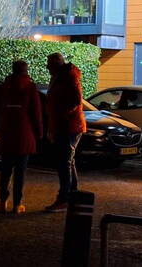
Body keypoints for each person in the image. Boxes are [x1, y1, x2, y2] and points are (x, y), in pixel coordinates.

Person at [0, 60, 43, 214]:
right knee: (20, 171)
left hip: (6, 132)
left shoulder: (4, 87)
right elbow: (36, 112)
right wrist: (38, 132)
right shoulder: (30, 87)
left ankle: (2, 202)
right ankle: (17, 204)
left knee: (6, 170)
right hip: (24, 133)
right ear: (25, 70)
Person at [44, 52, 86, 212]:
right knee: (68, 161)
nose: (47, 67)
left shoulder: (67, 77)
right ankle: (72, 196)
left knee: (64, 162)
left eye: (49, 64)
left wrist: (62, 116)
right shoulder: (62, 76)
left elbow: (76, 100)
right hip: (66, 125)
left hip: (68, 126)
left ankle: (64, 199)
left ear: (56, 64)